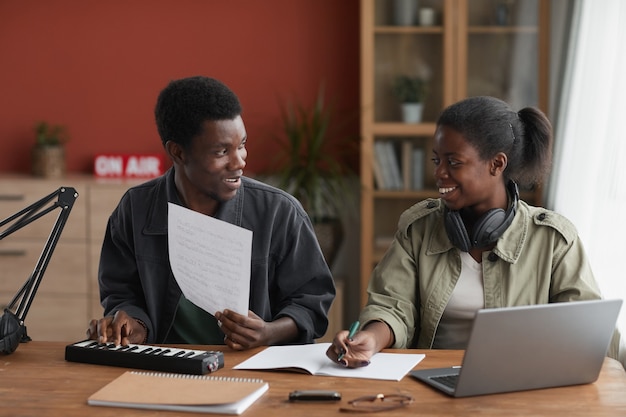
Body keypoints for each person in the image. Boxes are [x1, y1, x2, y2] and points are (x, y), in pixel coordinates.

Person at [327, 95, 622, 367]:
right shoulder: (418, 227)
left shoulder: (554, 240)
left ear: (497, 164)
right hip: (429, 384)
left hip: (521, 386)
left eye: (453, 162)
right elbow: (392, 306)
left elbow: (589, 331)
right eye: (437, 160)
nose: (439, 172)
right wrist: (372, 338)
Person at [87, 76, 335, 350]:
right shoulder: (136, 208)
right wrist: (134, 325)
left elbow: (312, 302)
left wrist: (269, 332)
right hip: (166, 369)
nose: (240, 161)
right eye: (222, 151)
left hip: (253, 370)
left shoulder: (280, 212)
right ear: (178, 152)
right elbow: (121, 293)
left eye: (241, 145)